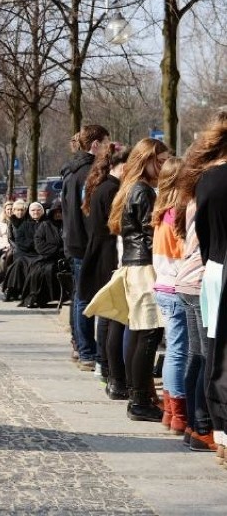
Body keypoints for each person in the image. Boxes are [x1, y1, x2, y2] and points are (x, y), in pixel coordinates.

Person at [107, 137, 170, 422]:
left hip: (134, 265)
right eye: (161, 160)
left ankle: (137, 395)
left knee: (138, 332)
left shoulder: (130, 188)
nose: (165, 166)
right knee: (148, 334)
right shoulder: (143, 191)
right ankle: (139, 400)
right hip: (144, 266)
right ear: (147, 161)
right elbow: (149, 234)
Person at [177, 112, 227, 454]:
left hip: (213, 270)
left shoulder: (206, 179)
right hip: (215, 270)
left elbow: (205, 234)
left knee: (212, 352)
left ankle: (213, 429)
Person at [61, 125, 110, 377]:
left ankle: (80, 347)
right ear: (95, 145)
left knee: (79, 294)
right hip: (85, 243)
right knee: (86, 297)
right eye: (105, 144)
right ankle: (87, 351)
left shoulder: (71, 170)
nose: (107, 149)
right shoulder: (91, 172)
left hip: (72, 240)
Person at [80, 143, 129, 393]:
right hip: (108, 254)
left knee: (108, 315)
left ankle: (104, 365)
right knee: (111, 316)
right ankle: (107, 367)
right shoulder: (111, 189)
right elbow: (115, 225)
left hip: (101, 252)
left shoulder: (102, 186)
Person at [151, 157, 189, 434]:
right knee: (179, 353)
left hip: (163, 286)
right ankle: (178, 413)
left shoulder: (160, 212)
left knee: (173, 351)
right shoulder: (178, 216)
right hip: (177, 287)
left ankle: (169, 410)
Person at [21, 200, 64, 309]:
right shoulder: (45, 225)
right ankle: (34, 297)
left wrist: (59, 251)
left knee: (49, 270)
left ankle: (47, 298)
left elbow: (68, 244)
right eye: (56, 212)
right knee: (36, 271)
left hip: (61, 258)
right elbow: (39, 242)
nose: (58, 214)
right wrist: (55, 249)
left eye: (61, 212)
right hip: (46, 257)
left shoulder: (67, 225)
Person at [2, 202, 44, 303]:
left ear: (42, 211)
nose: (35, 212)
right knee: (19, 262)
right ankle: (12, 289)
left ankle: (31, 292)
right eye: (33, 210)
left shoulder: (46, 223)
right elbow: (19, 240)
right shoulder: (25, 224)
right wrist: (32, 244)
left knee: (36, 265)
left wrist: (38, 246)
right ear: (29, 212)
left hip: (41, 254)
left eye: (38, 210)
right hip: (26, 252)